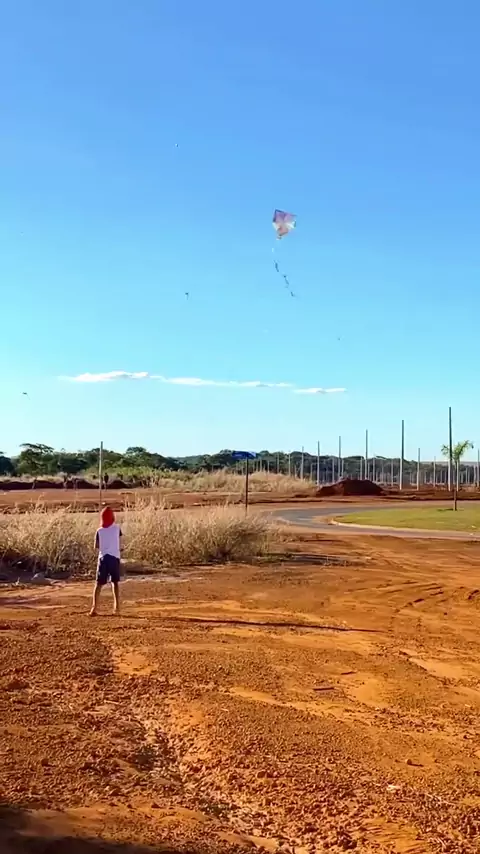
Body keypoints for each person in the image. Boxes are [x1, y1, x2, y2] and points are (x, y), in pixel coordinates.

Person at [89, 506, 122, 616]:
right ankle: (117, 608)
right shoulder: (117, 528)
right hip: (114, 558)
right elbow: (120, 542)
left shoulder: (99, 531)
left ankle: (94, 608)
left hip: (103, 558)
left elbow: (96, 546)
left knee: (98, 584)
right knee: (115, 583)